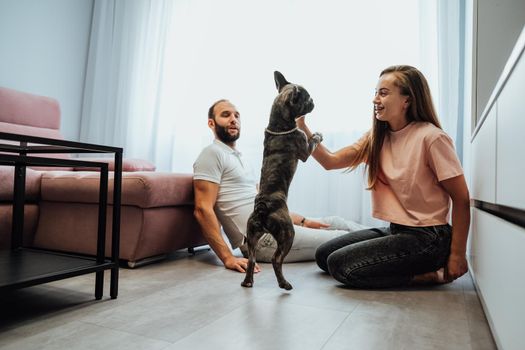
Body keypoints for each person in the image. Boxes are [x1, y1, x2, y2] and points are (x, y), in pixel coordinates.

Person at [296, 65, 470, 288]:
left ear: (407, 100)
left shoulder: (432, 138)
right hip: (398, 230)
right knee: (324, 255)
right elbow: (330, 161)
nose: (375, 99)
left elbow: (462, 198)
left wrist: (457, 255)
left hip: (430, 238)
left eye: (383, 93)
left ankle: (430, 275)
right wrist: (302, 125)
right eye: (375, 92)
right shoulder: (377, 138)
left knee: (340, 266)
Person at [193, 99, 367, 273]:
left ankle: (388, 235)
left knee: (337, 222)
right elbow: (202, 209)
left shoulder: (241, 158)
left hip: (276, 226)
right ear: (211, 123)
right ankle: (389, 245)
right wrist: (227, 257)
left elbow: (268, 206)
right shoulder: (211, 154)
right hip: (262, 241)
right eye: (226, 115)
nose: (233, 119)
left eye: (236, 115)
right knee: (342, 239)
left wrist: (304, 221)